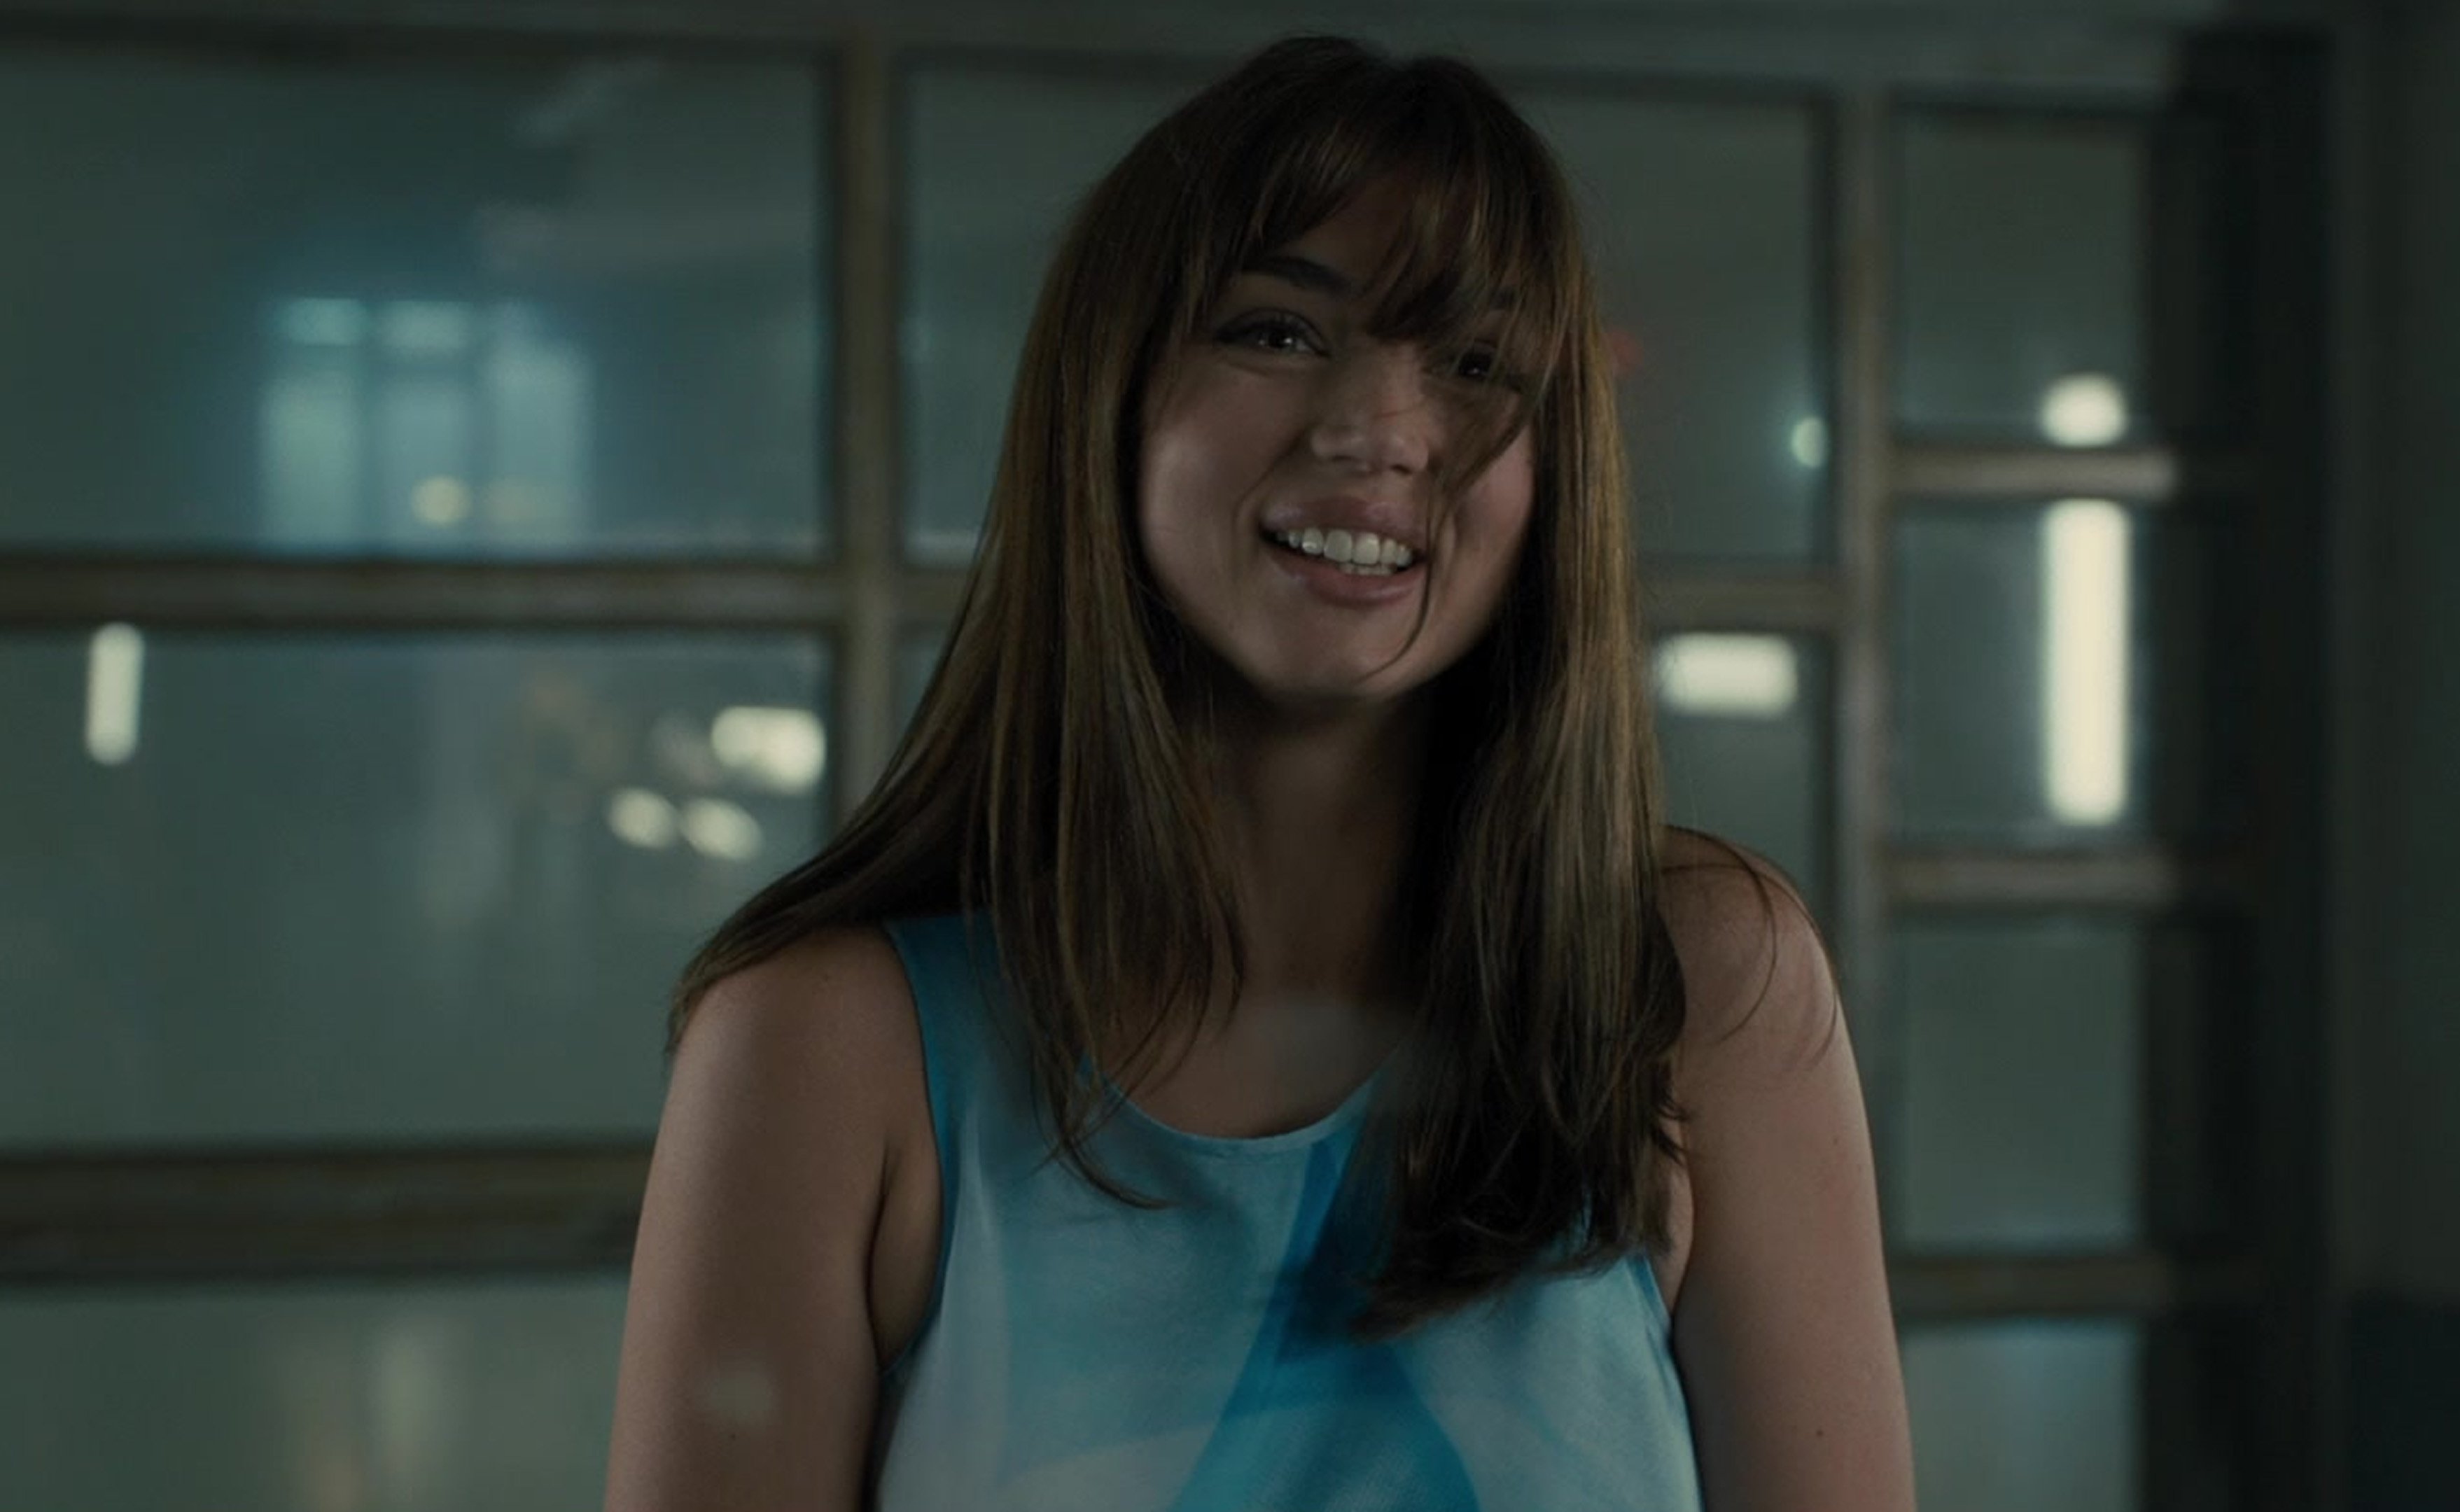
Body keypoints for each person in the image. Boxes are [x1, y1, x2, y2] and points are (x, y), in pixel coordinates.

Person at [603, 34, 1913, 1512]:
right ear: (1110, 395)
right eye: (1280, 331)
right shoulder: (826, 1048)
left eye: (1477, 366)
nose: (1380, 432)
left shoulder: (1699, 984)